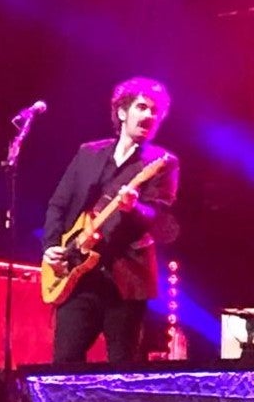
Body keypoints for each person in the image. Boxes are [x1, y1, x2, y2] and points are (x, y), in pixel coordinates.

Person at [42, 77, 179, 364]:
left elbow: (159, 219)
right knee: (63, 365)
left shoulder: (162, 162)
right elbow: (58, 205)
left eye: (155, 111)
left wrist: (134, 208)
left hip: (126, 281)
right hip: (78, 275)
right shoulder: (89, 153)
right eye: (142, 107)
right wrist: (52, 247)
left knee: (121, 370)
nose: (149, 116)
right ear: (121, 112)